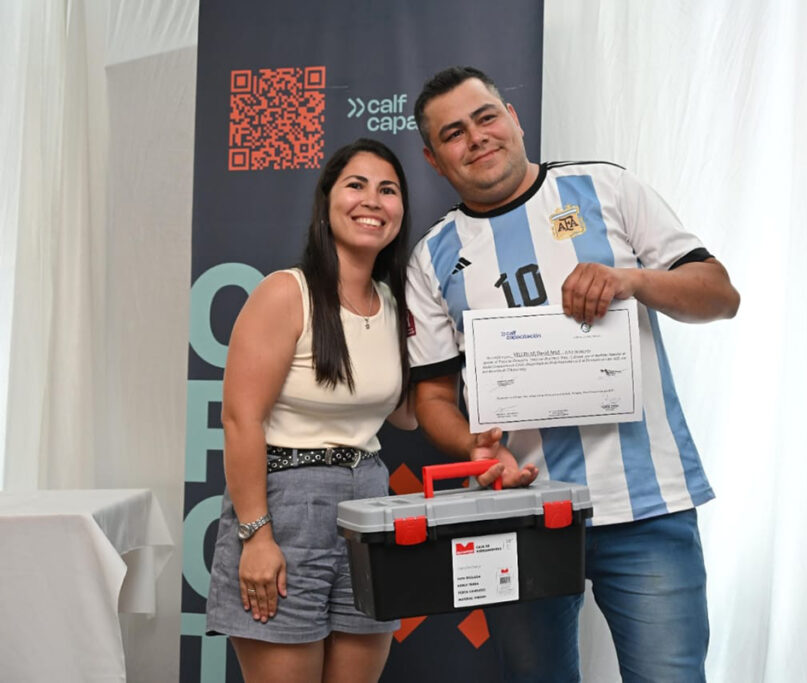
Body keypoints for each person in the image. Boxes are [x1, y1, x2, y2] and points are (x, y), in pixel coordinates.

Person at [405, 66, 740, 683]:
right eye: (453, 133)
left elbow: (720, 295)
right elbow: (431, 397)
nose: (476, 138)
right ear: (433, 158)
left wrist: (632, 280)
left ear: (513, 119)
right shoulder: (432, 256)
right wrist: (475, 447)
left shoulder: (605, 188)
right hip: (521, 513)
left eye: (486, 117)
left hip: (648, 507)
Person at [205, 138, 416, 683]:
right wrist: (256, 536)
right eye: (356, 185)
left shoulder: (397, 306)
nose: (372, 201)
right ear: (327, 200)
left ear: (400, 211)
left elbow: (407, 414)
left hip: (370, 507)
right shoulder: (286, 293)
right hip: (286, 507)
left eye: (388, 190)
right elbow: (241, 419)